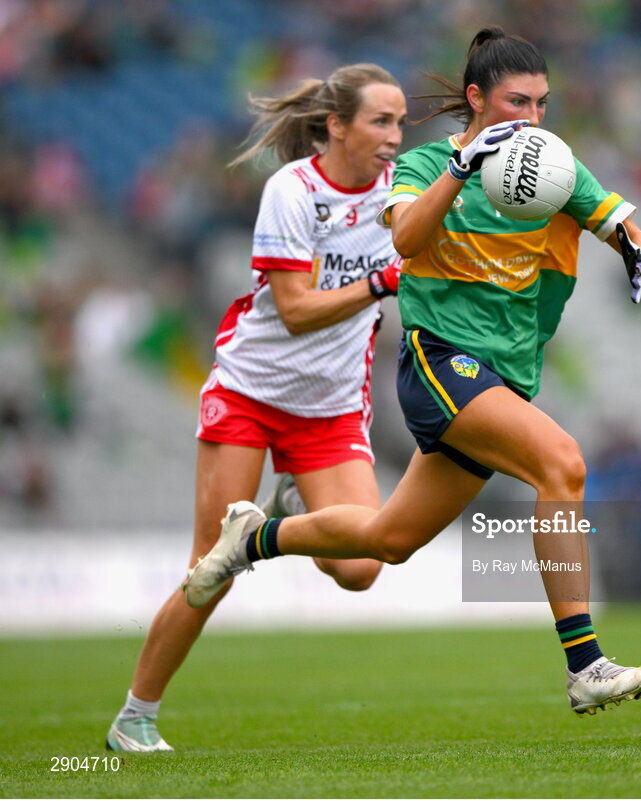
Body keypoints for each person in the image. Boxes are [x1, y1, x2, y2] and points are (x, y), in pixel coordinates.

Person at [185, 27, 641, 716]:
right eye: (515, 102)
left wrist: (636, 250)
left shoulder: (554, 165)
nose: (531, 120)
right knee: (563, 462)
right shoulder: (422, 167)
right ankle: (585, 664)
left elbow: (625, 224)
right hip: (442, 364)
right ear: (475, 98)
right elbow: (406, 241)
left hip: (503, 375)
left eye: (541, 104)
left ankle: (254, 537)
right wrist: (465, 167)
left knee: (389, 541)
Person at [105, 63, 408, 752]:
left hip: (330, 407)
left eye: (400, 122)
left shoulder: (401, 192)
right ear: (337, 125)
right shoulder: (292, 189)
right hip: (251, 392)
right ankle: (136, 716)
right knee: (210, 565)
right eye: (380, 121)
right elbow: (297, 311)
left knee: (362, 566)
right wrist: (382, 280)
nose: (395, 136)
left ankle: (283, 516)